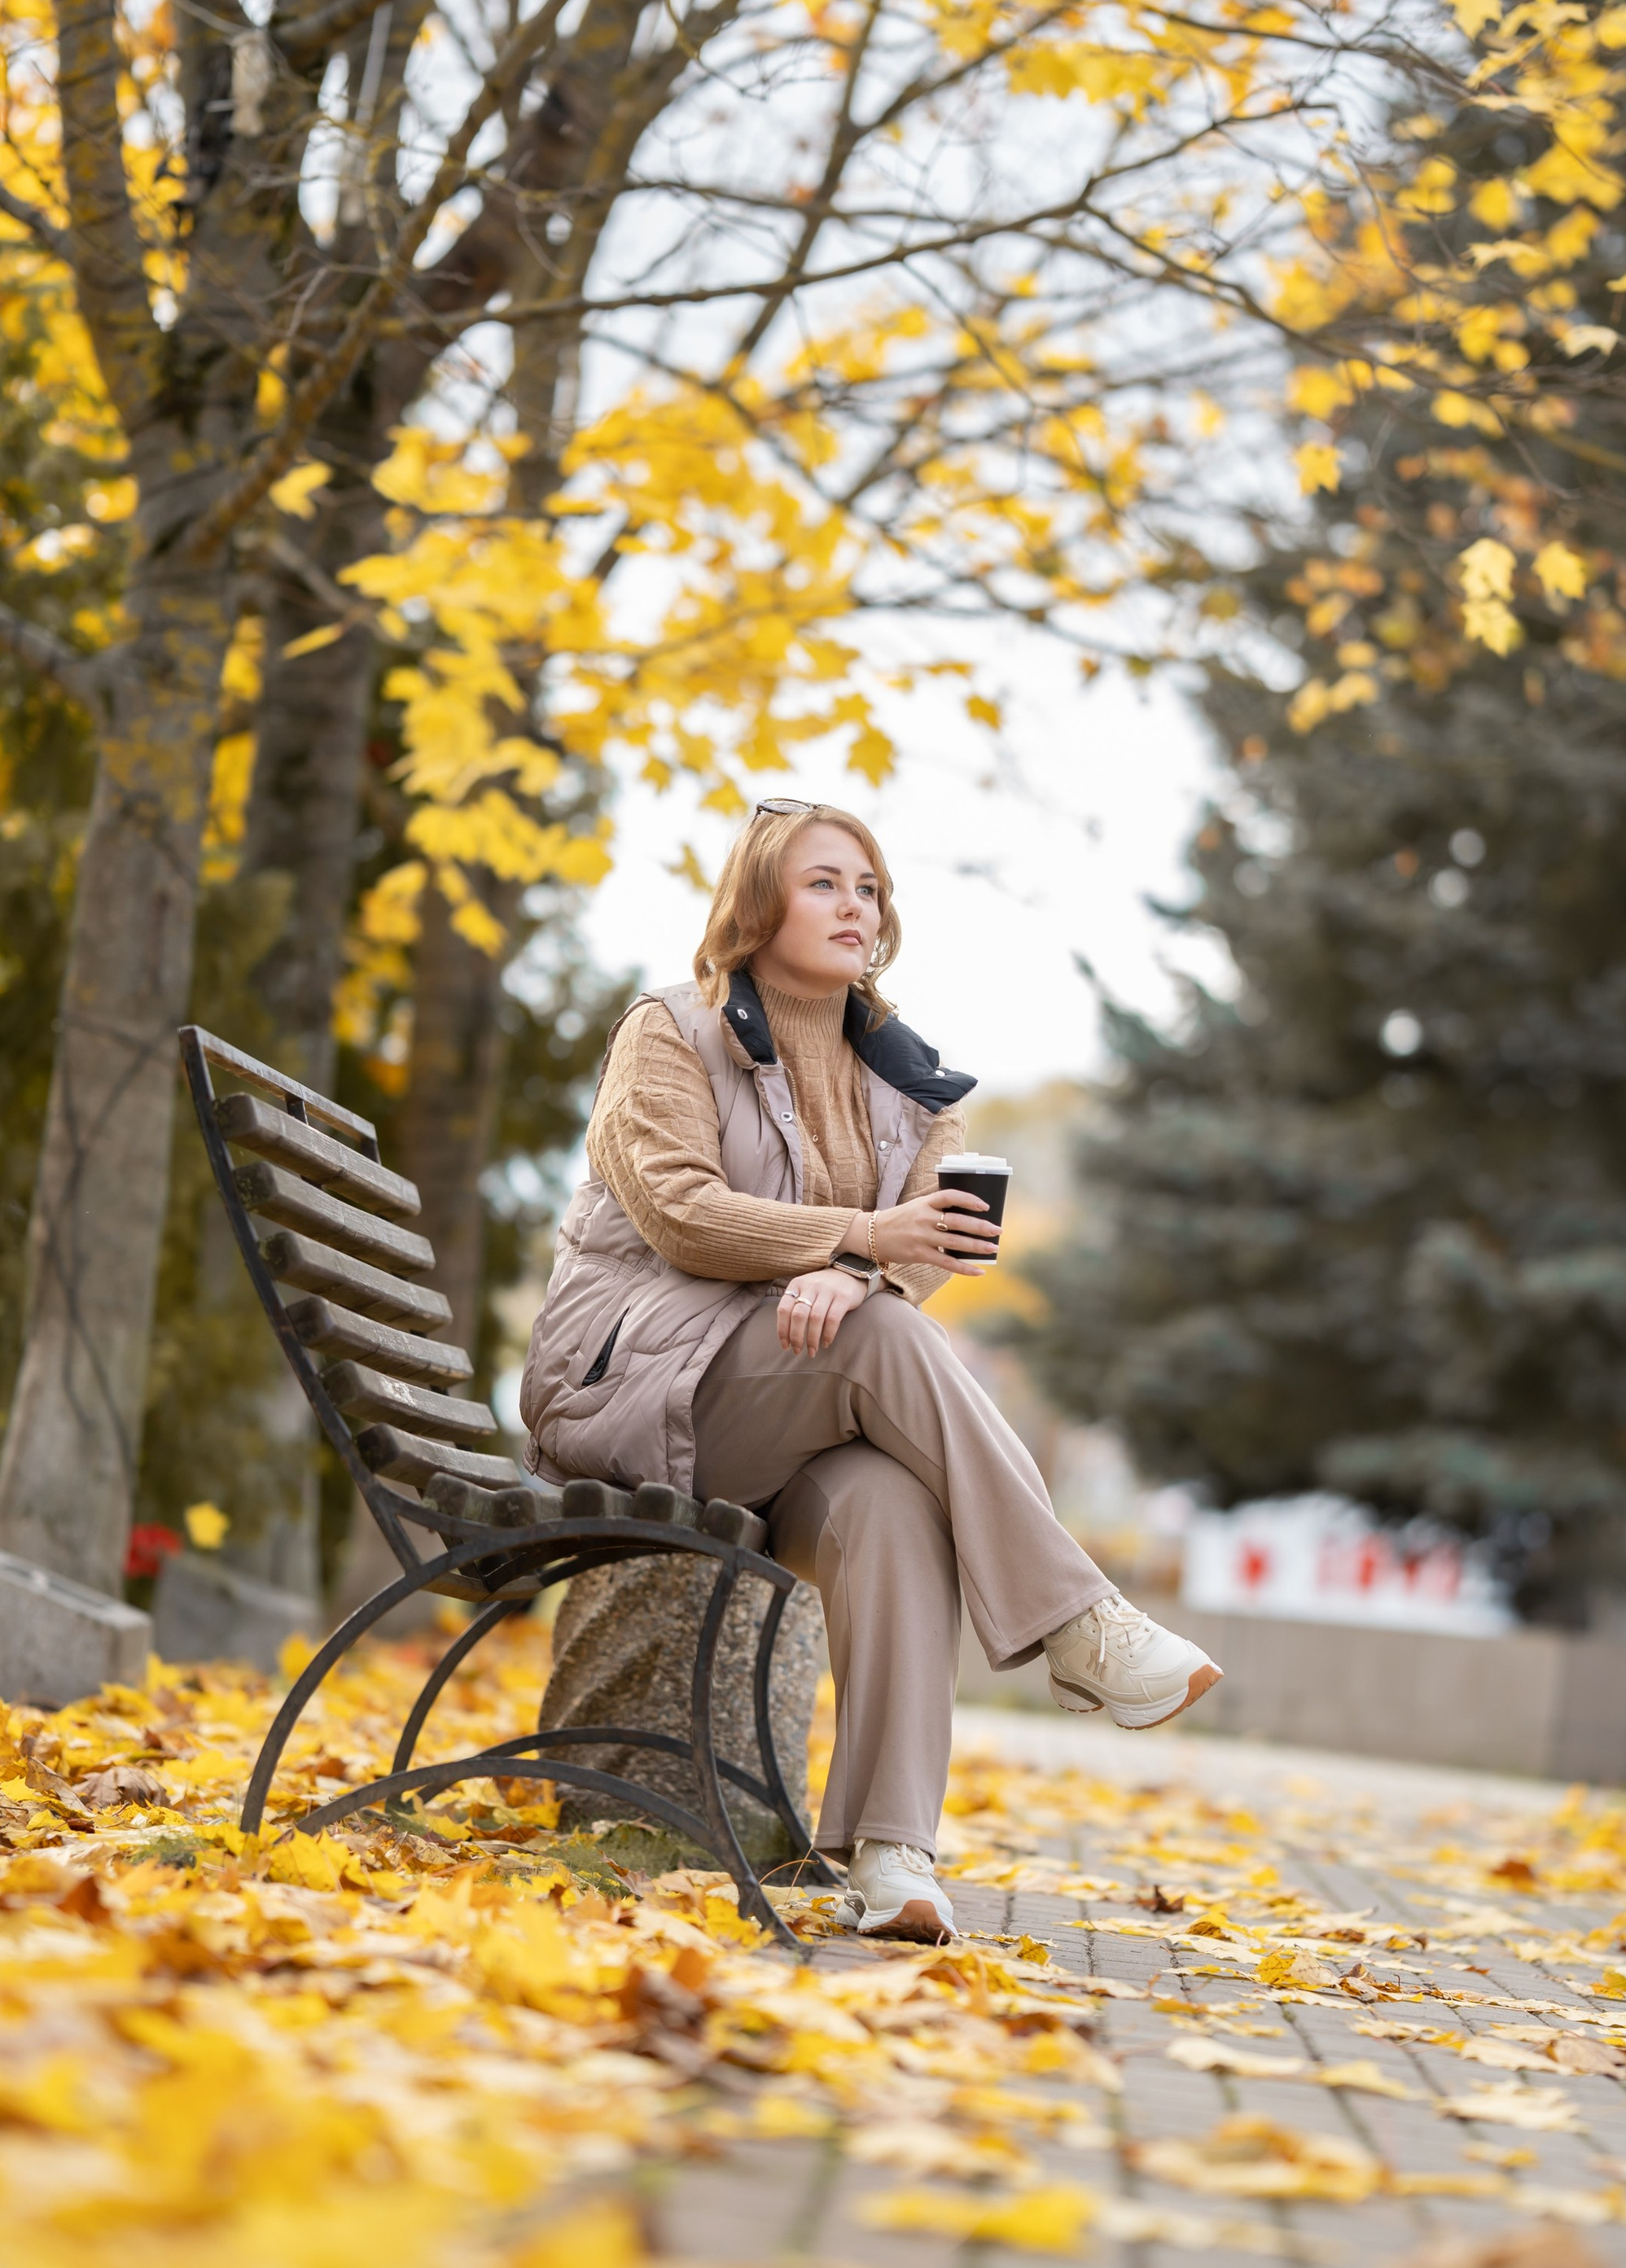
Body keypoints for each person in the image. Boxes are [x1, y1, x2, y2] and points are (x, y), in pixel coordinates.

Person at [519, 799, 1219, 1941]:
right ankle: (1080, 1625)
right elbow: (684, 1214)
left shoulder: (910, 1079)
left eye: (870, 888)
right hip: (640, 1390)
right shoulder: (670, 1032)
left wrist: (858, 1275)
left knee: (891, 1503)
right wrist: (859, 1240)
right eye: (825, 884)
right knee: (885, 1339)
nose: (857, 906)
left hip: (801, 1397)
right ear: (758, 904)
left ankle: (893, 1852)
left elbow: (925, 1247)